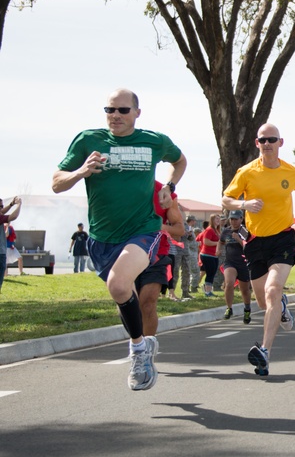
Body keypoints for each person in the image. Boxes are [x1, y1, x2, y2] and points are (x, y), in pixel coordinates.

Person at [53, 88, 187, 391]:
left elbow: (180, 161)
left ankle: (139, 351)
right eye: (109, 110)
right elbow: (56, 183)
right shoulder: (88, 140)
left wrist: (169, 186)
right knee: (122, 291)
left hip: (144, 230)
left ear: (137, 113)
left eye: (123, 110)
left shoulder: (154, 141)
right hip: (102, 239)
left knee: (121, 285)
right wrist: (82, 171)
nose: (115, 116)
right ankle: (141, 345)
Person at [221, 122, 295, 376]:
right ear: (256, 143)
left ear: (280, 143)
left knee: (272, 290)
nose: (267, 144)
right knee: (264, 302)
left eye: (272, 139)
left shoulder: (290, 172)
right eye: (262, 140)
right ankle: (281, 306)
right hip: (255, 242)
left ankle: (264, 351)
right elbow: (226, 199)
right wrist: (245, 203)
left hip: (283, 238)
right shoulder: (247, 172)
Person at [135, 181, 185, 339]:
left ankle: (146, 352)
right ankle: (137, 343)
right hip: (125, 254)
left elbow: (179, 230)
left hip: (157, 255)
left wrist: (160, 227)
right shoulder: (120, 188)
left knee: (148, 302)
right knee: (128, 306)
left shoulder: (164, 193)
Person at [219, 211, 253, 323]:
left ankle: (247, 309)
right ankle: (229, 308)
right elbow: (221, 241)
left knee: (244, 290)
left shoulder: (245, 231)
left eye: (236, 219)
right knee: (229, 284)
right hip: (230, 262)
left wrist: (238, 239)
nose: (233, 221)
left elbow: (248, 246)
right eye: (231, 219)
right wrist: (218, 249)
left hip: (243, 262)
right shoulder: (226, 231)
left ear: (241, 219)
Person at [197, 213, 220, 297]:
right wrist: (218, 243)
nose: (218, 220)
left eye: (219, 219)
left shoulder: (216, 230)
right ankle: (207, 292)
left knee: (212, 273)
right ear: (212, 220)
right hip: (207, 255)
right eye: (216, 219)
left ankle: (208, 289)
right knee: (210, 273)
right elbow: (206, 242)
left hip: (214, 255)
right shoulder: (209, 229)